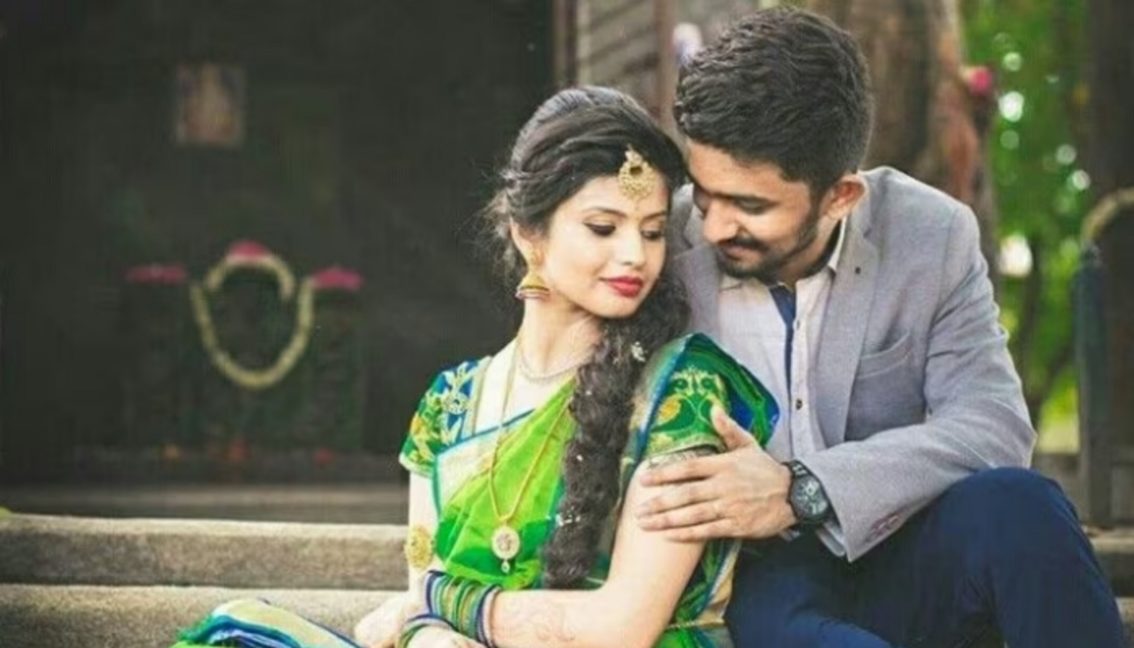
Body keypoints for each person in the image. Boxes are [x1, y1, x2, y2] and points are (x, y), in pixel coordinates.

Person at [175, 87, 779, 648]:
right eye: (603, 228)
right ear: (528, 235)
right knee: (234, 634)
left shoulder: (679, 392)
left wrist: (440, 605)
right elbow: (421, 606)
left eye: (652, 233)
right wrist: (430, 634)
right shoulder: (451, 403)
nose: (634, 256)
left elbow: (620, 629)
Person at [633, 7, 1128, 647]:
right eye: (705, 193)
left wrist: (800, 489)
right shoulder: (657, 243)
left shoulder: (931, 235)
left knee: (1022, 508)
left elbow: (992, 425)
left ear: (840, 197)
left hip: (899, 548)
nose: (715, 224)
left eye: (750, 205)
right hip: (746, 582)